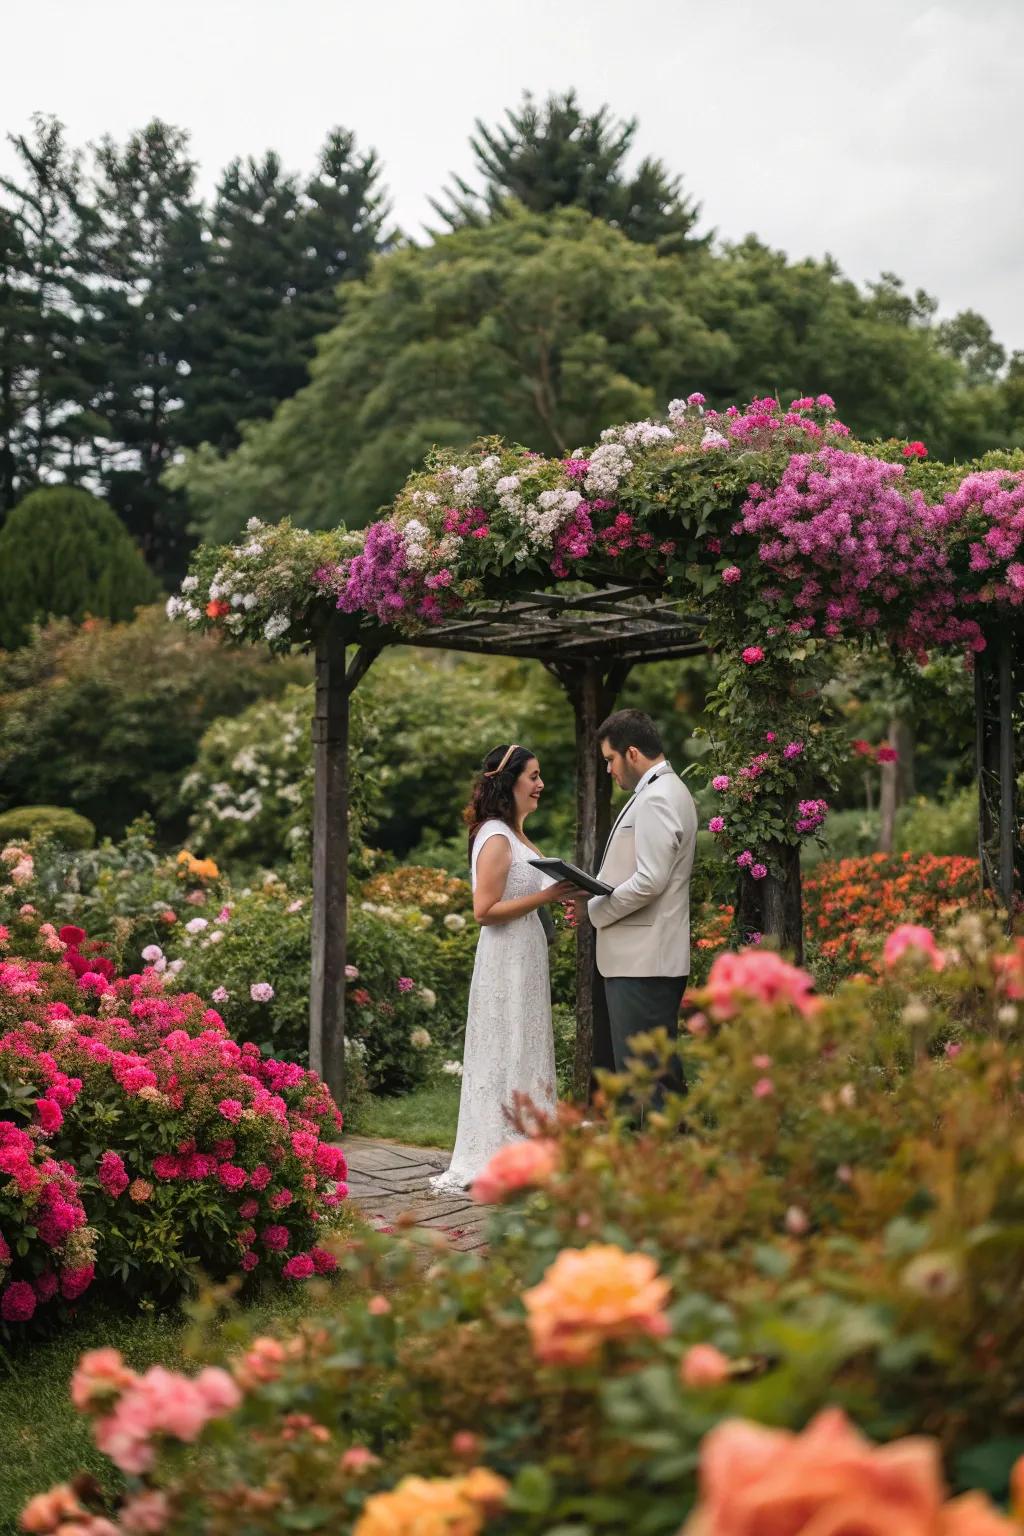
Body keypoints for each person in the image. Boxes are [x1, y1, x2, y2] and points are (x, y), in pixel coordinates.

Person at [430, 744, 574, 1194]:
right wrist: (548, 897)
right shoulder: (495, 836)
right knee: (507, 1044)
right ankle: (499, 1152)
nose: (540, 784)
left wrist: (572, 895)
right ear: (509, 782)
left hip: (526, 954)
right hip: (505, 956)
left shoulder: (517, 834)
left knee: (525, 1044)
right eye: (533, 776)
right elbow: (484, 910)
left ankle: (532, 1148)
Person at [581, 709, 697, 1112]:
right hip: (645, 958)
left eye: (610, 759)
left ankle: (658, 1149)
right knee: (651, 1073)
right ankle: (665, 1147)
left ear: (632, 753)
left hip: (644, 961)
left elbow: (650, 880)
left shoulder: (658, 797)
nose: (609, 770)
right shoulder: (662, 791)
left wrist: (597, 908)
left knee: (645, 1077)